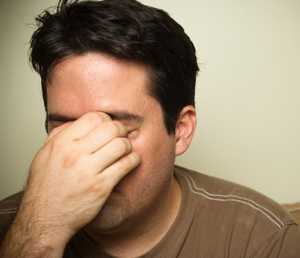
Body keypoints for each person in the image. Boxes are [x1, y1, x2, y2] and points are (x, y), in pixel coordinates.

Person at [0, 0, 299, 257]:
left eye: (117, 128)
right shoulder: (10, 230)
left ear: (181, 130)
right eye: (67, 127)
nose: (88, 156)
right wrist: (39, 233)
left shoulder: (262, 239)